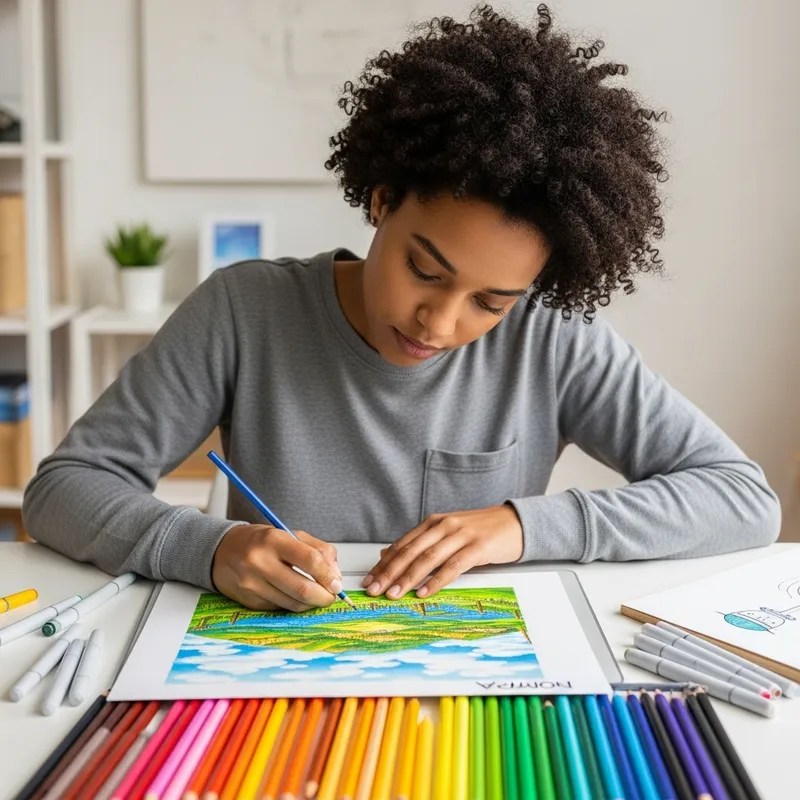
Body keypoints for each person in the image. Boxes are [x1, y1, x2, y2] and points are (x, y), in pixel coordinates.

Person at [22, 4, 780, 612]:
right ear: (381, 200)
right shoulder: (244, 309)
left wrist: (520, 526)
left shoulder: (554, 338)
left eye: (490, 301)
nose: (440, 324)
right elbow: (64, 488)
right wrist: (206, 547)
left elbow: (742, 499)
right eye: (425, 269)